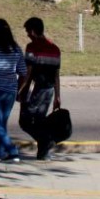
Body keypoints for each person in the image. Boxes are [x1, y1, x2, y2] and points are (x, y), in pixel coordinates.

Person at [17, 16, 61, 160]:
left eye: (28, 31)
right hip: (49, 91)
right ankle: (43, 153)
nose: (27, 35)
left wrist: (22, 90)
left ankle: (46, 141)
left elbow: (28, 73)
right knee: (40, 120)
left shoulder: (32, 47)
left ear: (33, 31)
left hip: (37, 90)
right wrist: (57, 96)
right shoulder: (55, 49)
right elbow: (56, 76)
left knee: (24, 121)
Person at [0, 18, 27, 161]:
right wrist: (19, 90)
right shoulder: (16, 49)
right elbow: (23, 72)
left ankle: (12, 150)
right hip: (10, 90)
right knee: (2, 123)